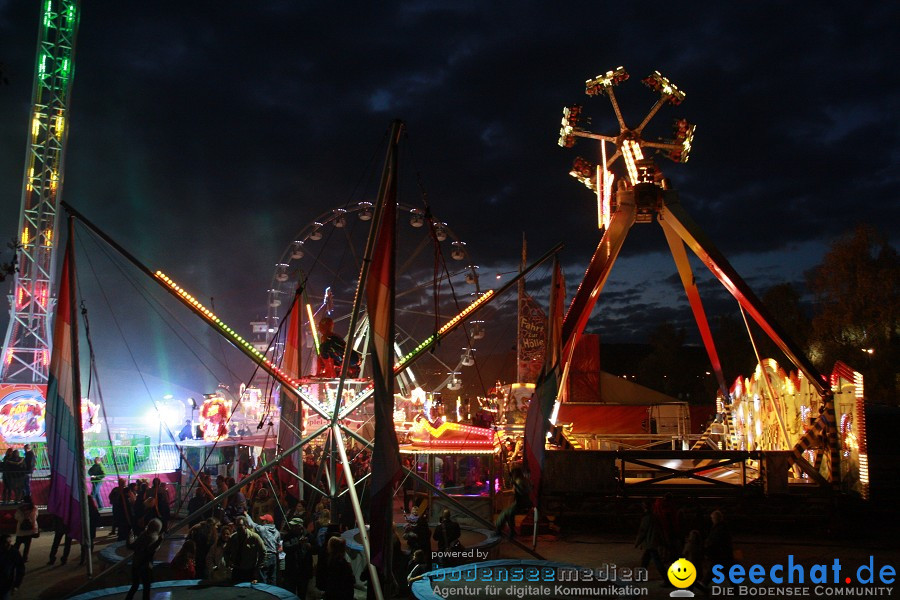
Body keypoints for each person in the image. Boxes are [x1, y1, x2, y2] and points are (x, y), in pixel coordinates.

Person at [125, 518, 163, 600]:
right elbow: (149, 550)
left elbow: (131, 546)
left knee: (135, 585)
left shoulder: (143, 535)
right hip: (145, 567)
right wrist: (159, 541)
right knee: (146, 588)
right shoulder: (154, 537)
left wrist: (130, 536)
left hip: (135, 564)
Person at [225, 516, 266, 584]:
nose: (238, 527)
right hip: (236, 570)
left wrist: (258, 568)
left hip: (249, 570)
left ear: (246, 525)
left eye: (240, 525)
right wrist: (228, 562)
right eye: (237, 525)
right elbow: (226, 551)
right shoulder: (233, 538)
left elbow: (263, 552)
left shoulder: (254, 537)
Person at [635, 500, 668, 582]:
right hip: (653, 542)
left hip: (650, 542)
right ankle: (641, 577)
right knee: (645, 561)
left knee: (656, 562)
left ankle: (667, 579)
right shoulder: (654, 517)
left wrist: (637, 542)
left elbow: (642, 531)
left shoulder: (646, 518)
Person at [245, 513, 282, 585]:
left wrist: (246, 515)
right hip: (274, 556)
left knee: (262, 577)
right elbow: (279, 546)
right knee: (272, 578)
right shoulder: (277, 532)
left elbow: (251, 524)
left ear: (267, 522)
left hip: (266, 556)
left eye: (263, 521)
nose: (262, 522)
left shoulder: (262, 529)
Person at [281, 517, 313, 599]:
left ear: (300, 526)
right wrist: (299, 544)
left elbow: (316, 548)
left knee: (302, 594)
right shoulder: (288, 536)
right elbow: (286, 548)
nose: (292, 527)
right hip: (292, 570)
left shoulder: (308, 535)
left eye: (294, 526)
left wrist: (310, 547)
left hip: (304, 571)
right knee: (290, 594)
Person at [495, 468, 530, 539]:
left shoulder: (519, 481)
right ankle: (512, 531)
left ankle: (498, 529)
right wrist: (505, 492)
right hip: (522, 502)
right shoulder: (522, 480)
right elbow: (515, 491)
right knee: (510, 514)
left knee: (504, 513)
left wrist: (516, 485)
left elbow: (523, 492)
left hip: (521, 503)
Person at [323, 536, 355, 600]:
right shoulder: (343, 562)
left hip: (338, 595)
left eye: (328, 545)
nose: (327, 547)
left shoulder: (335, 562)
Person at [0, 534, 26, 600]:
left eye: (9, 542)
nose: (9, 545)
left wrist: (16, 585)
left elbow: (20, 569)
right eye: (6, 543)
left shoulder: (14, 553)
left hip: (5, 585)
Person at [13, 496, 38, 562]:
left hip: (21, 529)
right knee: (27, 545)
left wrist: (23, 521)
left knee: (17, 544)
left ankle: (13, 556)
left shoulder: (20, 508)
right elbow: (34, 517)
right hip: (30, 529)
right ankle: (24, 558)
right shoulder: (34, 508)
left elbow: (16, 517)